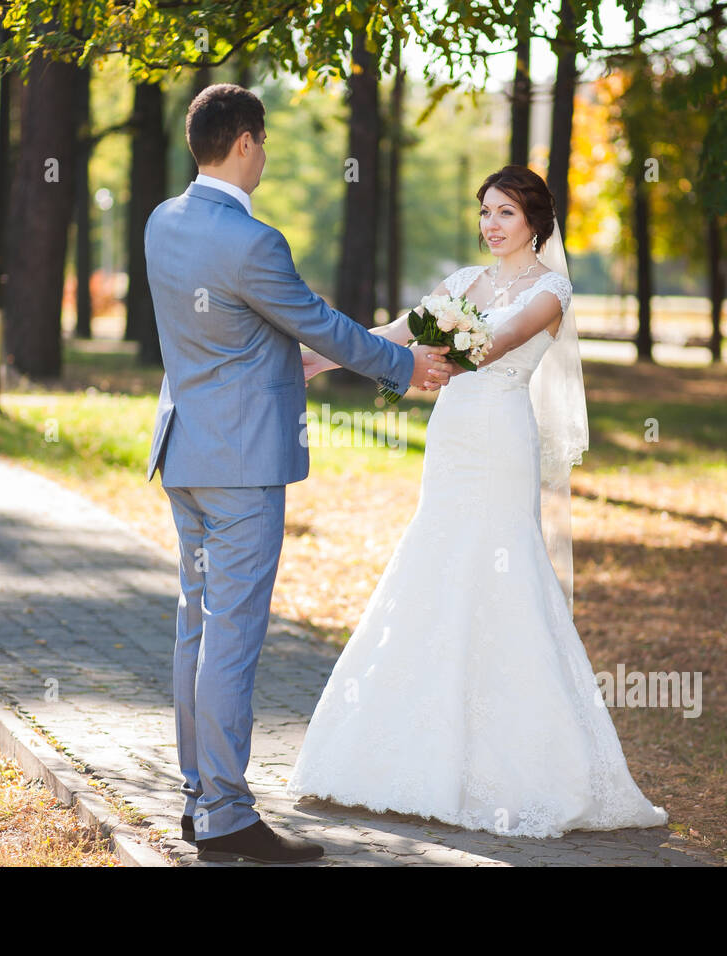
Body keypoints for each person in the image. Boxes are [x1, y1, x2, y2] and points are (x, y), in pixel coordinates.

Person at [288, 165, 669, 837]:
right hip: (451, 442)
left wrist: (427, 364)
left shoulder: (552, 290)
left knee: (503, 573)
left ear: (535, 224)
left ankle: (524, 765)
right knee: (433, 565)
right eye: (486, 212)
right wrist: (323, 358)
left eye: (506, 214)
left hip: (499, 441)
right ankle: (403, 756)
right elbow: (398, 330)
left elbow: (503, 341)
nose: (492, 225)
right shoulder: (463, 282)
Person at [144, 83, 458, 864]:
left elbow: (233, 333)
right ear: (245, 142)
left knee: (195, 629)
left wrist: (293, 361)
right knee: (232, 639)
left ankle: (196, 797)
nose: (267, 157)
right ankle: (225, 814)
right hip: (242, 465)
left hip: (184, 451)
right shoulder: (253, 242)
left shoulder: (162, 222)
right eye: (265, 143)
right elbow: (314, 321)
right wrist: (403, 365)